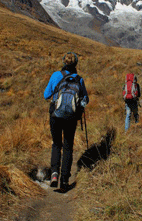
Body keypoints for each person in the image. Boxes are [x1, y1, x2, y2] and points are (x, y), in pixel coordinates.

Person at [44, 52, 89, 191]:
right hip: (71, 118)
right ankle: (64, 181)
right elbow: (85, 100)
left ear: (64, 62)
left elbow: (46, 95)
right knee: (68, 146)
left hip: (55, 116)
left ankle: (54, 174)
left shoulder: (56, 75)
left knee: (56, 144)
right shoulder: (79, 79)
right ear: (75, 64)